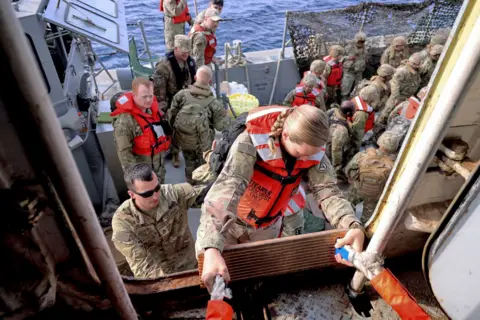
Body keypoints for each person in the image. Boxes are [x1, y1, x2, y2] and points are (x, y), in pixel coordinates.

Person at [195, 105, 365, 291]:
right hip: (230, 222)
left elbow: (328, 192)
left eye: (313, 154)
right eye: (301, 154)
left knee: (258, 275)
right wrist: (211, 247)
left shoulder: (312, 150)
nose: (306, 159)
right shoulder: (248, 144)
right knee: (217, 275)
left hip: (267, 226)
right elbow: (226, 190)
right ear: (285, 136)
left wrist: (351, 224)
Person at [111, 164, 201, 278]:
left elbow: (209, 194)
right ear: (132, 194)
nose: (155, 196)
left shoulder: (173, 194)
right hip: (157, 276)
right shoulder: (123, 222)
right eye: (147, 194)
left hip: (189, 267)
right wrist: (168, 286)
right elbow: (142, 265)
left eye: (157, 188)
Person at [168, 66, 231, 182]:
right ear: (210, 81)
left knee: (188, 161)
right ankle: (200, 185)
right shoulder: (214, 103)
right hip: (203, 143)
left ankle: (189, 180)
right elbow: (222, 127)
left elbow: (171, 115)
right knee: (203, 164)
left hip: (184, 138)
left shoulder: (181, 95)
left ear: (195, 77)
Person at [111, 78, 171, 183]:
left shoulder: (153, 111)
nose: (148, 100)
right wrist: (137, 180)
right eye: (144, 97)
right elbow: (125, 155)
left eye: (150, 96)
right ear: (134, 95)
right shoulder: (124, 122)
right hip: (144, 175)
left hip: (159, 168)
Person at [153, 35, 196, 168]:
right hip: (171, 100)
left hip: (186, 97)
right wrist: (164, 111)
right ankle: (175, 152)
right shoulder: (163, 67)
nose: (187, 54)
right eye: (184, 52)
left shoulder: (189, 60)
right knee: (173, 129)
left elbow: (193, 78)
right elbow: (159, 92)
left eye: (188, 52)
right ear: (176, 49)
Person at [345, 131, 399, 224]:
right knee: (368, 218)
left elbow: (349, 169)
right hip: (375, 196)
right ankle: (364, 232)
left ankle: (348, 224)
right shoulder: (395, 164)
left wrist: (351, 180)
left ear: (380, 141)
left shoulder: (363, 155)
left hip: (358, 188)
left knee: (348, 206)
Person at [376, 53, 422, 132]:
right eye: (414, 64)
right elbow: (395, 84)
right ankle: (376, 132)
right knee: (385, 115)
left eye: (418, 64)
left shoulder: (416, 71)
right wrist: (396, 99)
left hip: (407, 98)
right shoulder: (402, 71)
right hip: (398, 98)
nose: (416, 66)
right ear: (410, 62)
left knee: (396, 117)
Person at [326, 101, 355, 181]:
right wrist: (337, 166)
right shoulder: (341, 130)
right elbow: (336, 151)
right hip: (329, 150)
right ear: (348, 113)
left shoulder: (333, 111)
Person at [350, 86, 379, 152]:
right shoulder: (361, 113)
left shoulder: (358, 99)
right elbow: (357, 133)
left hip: (359, 125)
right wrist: (357, 147)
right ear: (370, 97)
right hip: (357, 131)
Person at [341, 32, 368, 100]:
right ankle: (344, 103)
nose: (361, 43)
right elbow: (340, 58)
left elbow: (366, 57)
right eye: (360, 42)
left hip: (359, 72)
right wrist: (348, 58)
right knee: (345, 89)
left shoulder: (364, 48)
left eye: (363, 42)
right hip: (349, 72)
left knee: (358, 89)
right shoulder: (348, 47)